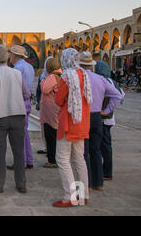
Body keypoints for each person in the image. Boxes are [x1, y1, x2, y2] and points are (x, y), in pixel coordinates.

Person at [0, 45, 30, 194]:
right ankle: (22, 184)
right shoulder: (17, 73)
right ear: (7, 58)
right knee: (18, 151)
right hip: (17, 115)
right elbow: (26, 94)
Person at [78, 52, 123, 191]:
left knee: (84, 151)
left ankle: (88, 183)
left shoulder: (79, 79)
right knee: (96, 150)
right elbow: (118, 95)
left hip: (84, 117)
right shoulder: (100, 79)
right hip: (97, 117)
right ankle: (99, 183)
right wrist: (107, 110)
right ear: (91, 65)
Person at [53, 48, 91, 207]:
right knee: (79, 159)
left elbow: (59, 100)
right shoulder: (84, 74)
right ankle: (83, 195)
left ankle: (70, 196)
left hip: (68, 123)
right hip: (82, 123)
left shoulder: (67, 76)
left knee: (62, 159)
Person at [94, 61, 124, 181]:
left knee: (104, 147)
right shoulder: (113, 82)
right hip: (108, 120)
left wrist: (106, 110)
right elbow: (122, 94)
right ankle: (105, 171)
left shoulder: (104, 81)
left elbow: (119, 96)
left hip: (104, 120)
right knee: (105, 146)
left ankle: (106, 173)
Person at [8, 45, 35, 169]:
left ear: (14, 55)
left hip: (19, 102)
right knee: (24, 132)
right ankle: (29, 159)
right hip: (27, 101)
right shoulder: (29, 66)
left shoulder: (17, 68)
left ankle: (21, 162)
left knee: (19, 134)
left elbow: (16, 88)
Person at [39, 57, 62, 168]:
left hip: (50, 110)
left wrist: (43, 81)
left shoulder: (52, 77)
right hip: (57, 108)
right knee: (56, 134)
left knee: (51, 135)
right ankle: (56, 158)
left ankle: (52, 160)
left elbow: (45, 89)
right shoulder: (61, 75)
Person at [36, 56, 53, 155]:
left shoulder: (56, 77)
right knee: (44, 128)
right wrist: (38, 102)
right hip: (44, 104)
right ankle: (46, 147)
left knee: (51, 128)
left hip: (52, 106)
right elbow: (38, 91)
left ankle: (51, 150)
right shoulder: (42, 76)